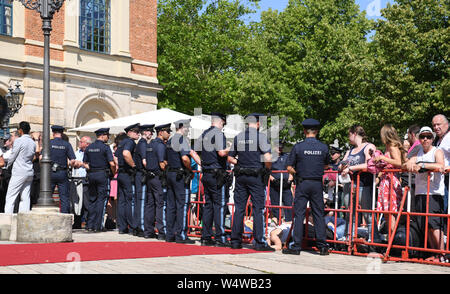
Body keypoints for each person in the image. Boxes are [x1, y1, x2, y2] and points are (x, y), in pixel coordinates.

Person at [282, 118, 330, 255]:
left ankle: (296, 246)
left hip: (302, 183)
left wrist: (297, 172)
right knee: (318, 214)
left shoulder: (298, 147)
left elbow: (289, 167)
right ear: (317, 131)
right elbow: (326, 165)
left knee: (299, 214)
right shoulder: (323, 147)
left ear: (304, 131)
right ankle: (322, 246)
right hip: (316, 183)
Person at [227, 113, 274, 251]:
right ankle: (259, 242)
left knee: (239, 208)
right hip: (256, 176)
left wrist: (240, 163)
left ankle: (235, 241)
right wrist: (267, 170)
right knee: (258, 209)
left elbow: (230, 158)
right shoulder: (261, 137)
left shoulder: (238, 137)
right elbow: (268, 158)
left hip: (241, 176)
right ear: (258, 123)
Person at [404, 126, 446, 262]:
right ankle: (435, 253)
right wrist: (410, 163)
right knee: (424, 225)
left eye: (428, 136)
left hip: (434, 193)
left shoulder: (436, 151)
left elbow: (440, 165)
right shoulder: (418, 153)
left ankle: (443, 254)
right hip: (420, 192)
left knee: (434, 224)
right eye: (423, 137)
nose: (425, 139)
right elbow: (406, 164)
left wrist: (422, 166)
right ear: (419, 139)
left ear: (432, 138)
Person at [339, 124, 378, 242]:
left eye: (349, 134)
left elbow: (370, 164)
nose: (348, 137)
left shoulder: (368, 146)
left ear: (354, 133)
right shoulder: (350, 150)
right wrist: (343, 166)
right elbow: (341, 164)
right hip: (349, 185)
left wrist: (351, 168)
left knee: (367, 213)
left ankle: (374, 238)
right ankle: (349, 237)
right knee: (350, 212)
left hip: (363, 184)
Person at [196, 112, 230, 247]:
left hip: (207, 173)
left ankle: (205, 236)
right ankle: (220, 237)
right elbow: (221, 153)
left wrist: (202, 164)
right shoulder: (218, 134)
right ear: (221, 121)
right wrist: (231, 148)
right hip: (217, 175)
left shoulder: (204, 134)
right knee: (220, 205)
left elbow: (193, 151)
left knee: (208, 205)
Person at [166, 119, 201, 244]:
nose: (188, 129)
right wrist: (190, 170)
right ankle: (181, 235)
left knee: (171, 205)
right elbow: (185, 158)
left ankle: (170, 234)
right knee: (182, 205)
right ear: (182, 127)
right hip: (180, 175)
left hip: (170, 174)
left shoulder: (170, 140)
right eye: (187, 127)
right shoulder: (181, 140)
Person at [374, 124, 406, 232]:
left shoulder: (393, 146)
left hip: (391, 181)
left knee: (391, 211)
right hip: (385, 181)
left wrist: (383, 158)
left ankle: (393, 240)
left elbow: (398, 162)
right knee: (386, 212)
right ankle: (390, 239)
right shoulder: (388, 146)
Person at [83, 128, 116, 233]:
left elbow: (85, 164)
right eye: (107, 135)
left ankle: (89, 225)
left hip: (92, 174)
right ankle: (97, 226)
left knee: (92, 200)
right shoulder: (105, 148)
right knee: (101, 200)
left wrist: (92, 169)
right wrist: (114, 172)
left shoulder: (89, 147)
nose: (108, 137)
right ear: (103, 136)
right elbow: (112, 163)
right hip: (102, 175)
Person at [144, 123, 170, 240]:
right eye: (167, 131)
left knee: (150, 204)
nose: (169, 134)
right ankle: (161, 231)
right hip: (157, 177)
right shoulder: (160, 145)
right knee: (160, 204)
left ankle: (148, 231)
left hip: (150, 177)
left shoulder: (150, 144)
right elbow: (161, 163)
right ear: (161, 132)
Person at [4, 122, 36, 214]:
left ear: (20, 130)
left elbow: (13, 156)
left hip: (19, 171)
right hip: (29, 171)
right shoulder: (33, 142)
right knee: (25, 197)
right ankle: (23, 218)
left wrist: (8, 165)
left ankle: (8, 219)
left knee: (11, 196)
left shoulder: (19, 141)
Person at [115, 123, 140, 235]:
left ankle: (122, 226)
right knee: (130, 201)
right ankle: (132, 226)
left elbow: (115, 157)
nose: (138, 134)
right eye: (136, 132)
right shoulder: (130, 142)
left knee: (121, 201)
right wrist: (133, 165)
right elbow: (126, 154)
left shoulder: (122, 142)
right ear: (129, 132)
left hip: (121, 173)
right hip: (127, 173)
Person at [50, 125, 77, 214]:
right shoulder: (66, 144)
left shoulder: (49, 143)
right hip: (62, 172)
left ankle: (48, 213)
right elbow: (72, 160)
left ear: (53, 133)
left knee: (48, 195)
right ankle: (64, 215)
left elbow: (42, 157)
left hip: (50, 172)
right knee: (64, 197)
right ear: (62, 133)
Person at [133, 124, 154, 237]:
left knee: (139, 201)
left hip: (139, 174)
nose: (151, 134)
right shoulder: (143, 143)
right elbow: (145, 161)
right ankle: (140, 226)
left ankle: (138, 226)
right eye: (150, 132)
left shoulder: (141, 143)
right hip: (141, 174)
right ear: (145, 132)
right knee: (141, 201)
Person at [269, 142, 294, 223]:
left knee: (288, 203)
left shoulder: (287, 157)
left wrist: (290, 180)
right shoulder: (270, 157)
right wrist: (273, 180)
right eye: (277, 147)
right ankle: (277, 221)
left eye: (281, 147)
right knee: (275, 205)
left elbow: (291, 169)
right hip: (274, 184)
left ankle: (289, 222)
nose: (279, 149)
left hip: (285, 184)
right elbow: (266, 171)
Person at [72, 135, 92, 229]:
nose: (79, 143)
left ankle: (88, 222)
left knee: (86, 202)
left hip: (86, 179)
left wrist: (82, 164)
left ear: (87, 144)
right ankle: (77, 222)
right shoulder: (77, 153)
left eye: (81, 142)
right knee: (77, 202)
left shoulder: (90, 152)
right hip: (77, 179)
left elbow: (90, 165)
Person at [432, 114, 449, 214]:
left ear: (446, 124)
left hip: (447, 179)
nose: (436, 127)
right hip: (440, 180)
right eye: (434, 125)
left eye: (438, 124)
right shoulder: (437, 140)